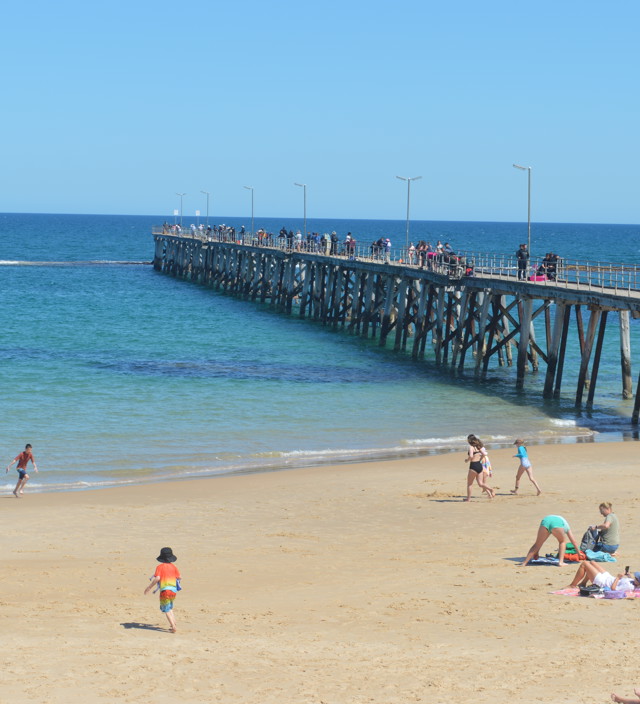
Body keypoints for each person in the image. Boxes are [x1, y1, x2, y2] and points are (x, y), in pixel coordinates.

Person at [144, 547, 182, 633]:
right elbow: (179, 577)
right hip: (173, 590)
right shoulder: (173, 567)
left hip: (165, 590)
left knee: (166, 609)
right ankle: (174, 622)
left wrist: (149, 587)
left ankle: (173, 627)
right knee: (170, 607)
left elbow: (157, 578)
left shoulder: (160, 567)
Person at [566, 560, 637, 591]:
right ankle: (583, 583)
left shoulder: (629, 587)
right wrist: (629, 576)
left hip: (602, 582)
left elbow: (613, 589)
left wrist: (618, 578)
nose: (635, 578)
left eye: (636, 578)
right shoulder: (634, 582)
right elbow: (631, 581)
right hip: (609, 578)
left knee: (584, 564)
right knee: (592, 562)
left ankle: (573, 585)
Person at [464, 434, 495, 501]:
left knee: (469, 484)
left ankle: (468, 499)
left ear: (469, 440)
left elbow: (471, 456)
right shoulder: (478, 447)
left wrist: (467, 460)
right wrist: (480, 459)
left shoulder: (471, 447)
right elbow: (484, 454)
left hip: (473, 466)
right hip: (479, 466)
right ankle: (491, 489)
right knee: (481, 483)